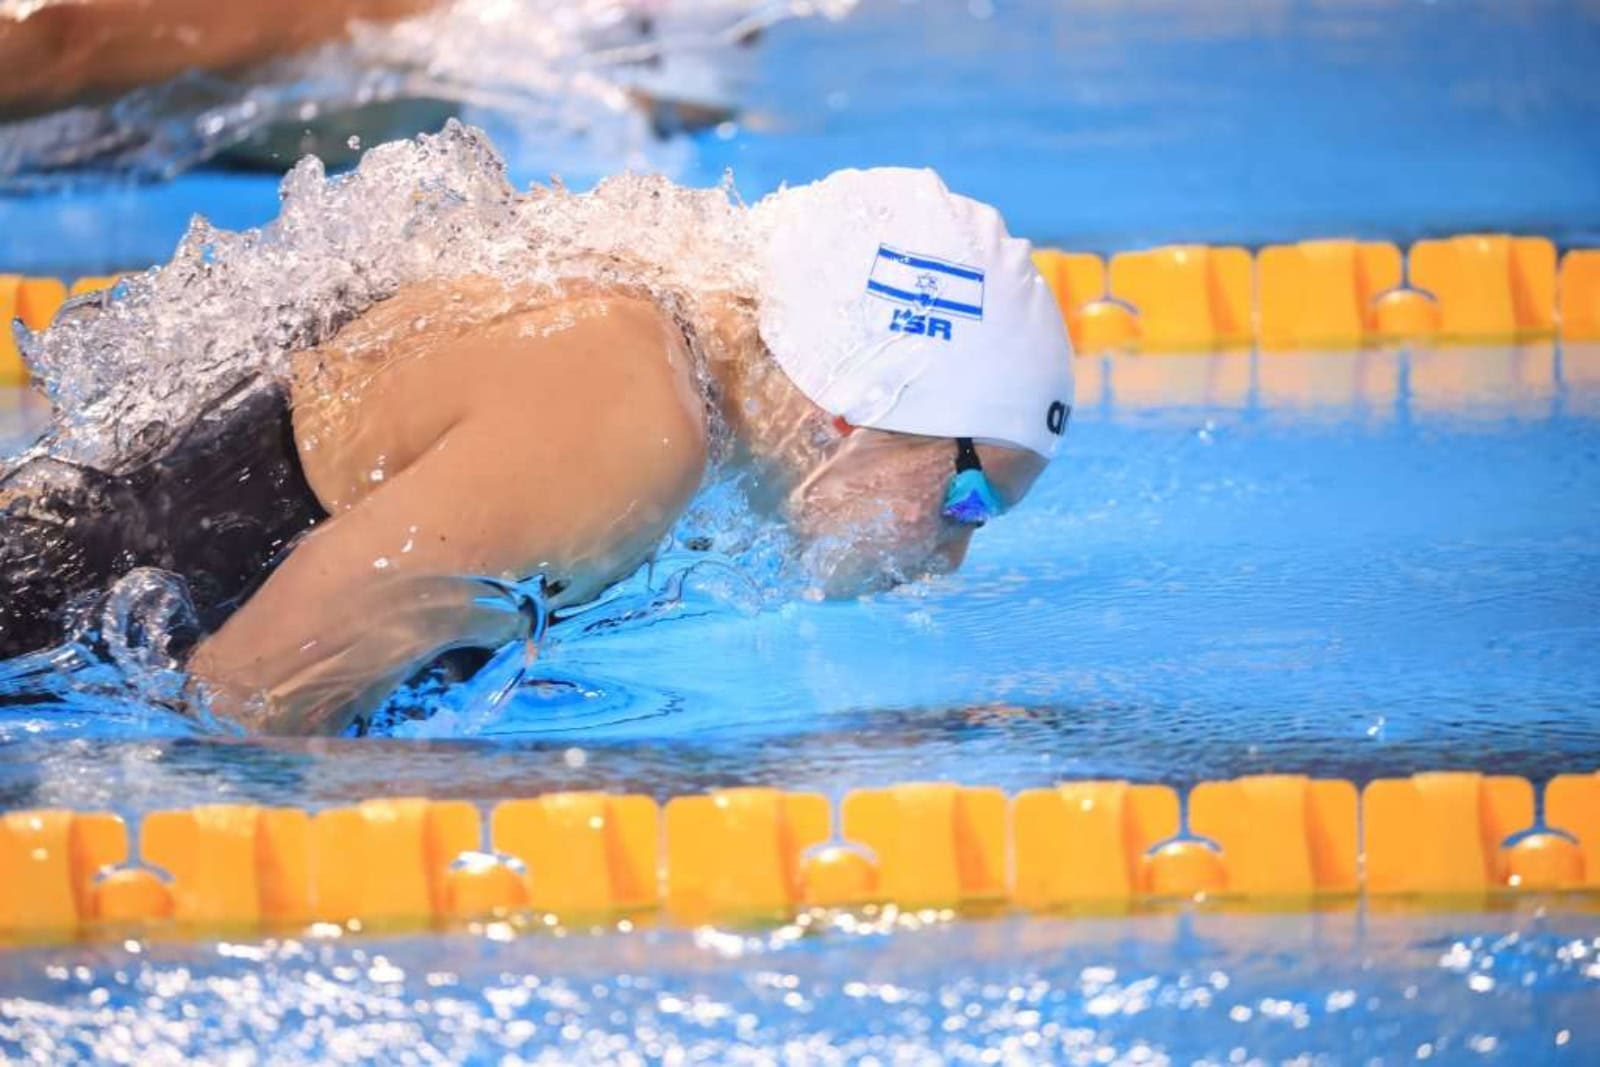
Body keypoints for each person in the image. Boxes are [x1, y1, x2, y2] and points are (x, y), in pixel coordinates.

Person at [0, 165, 1074, 735]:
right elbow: (243, 702)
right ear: (856, 403)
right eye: (968, 497)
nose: (952, 553)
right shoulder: (629, 419)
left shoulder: (631, 343)